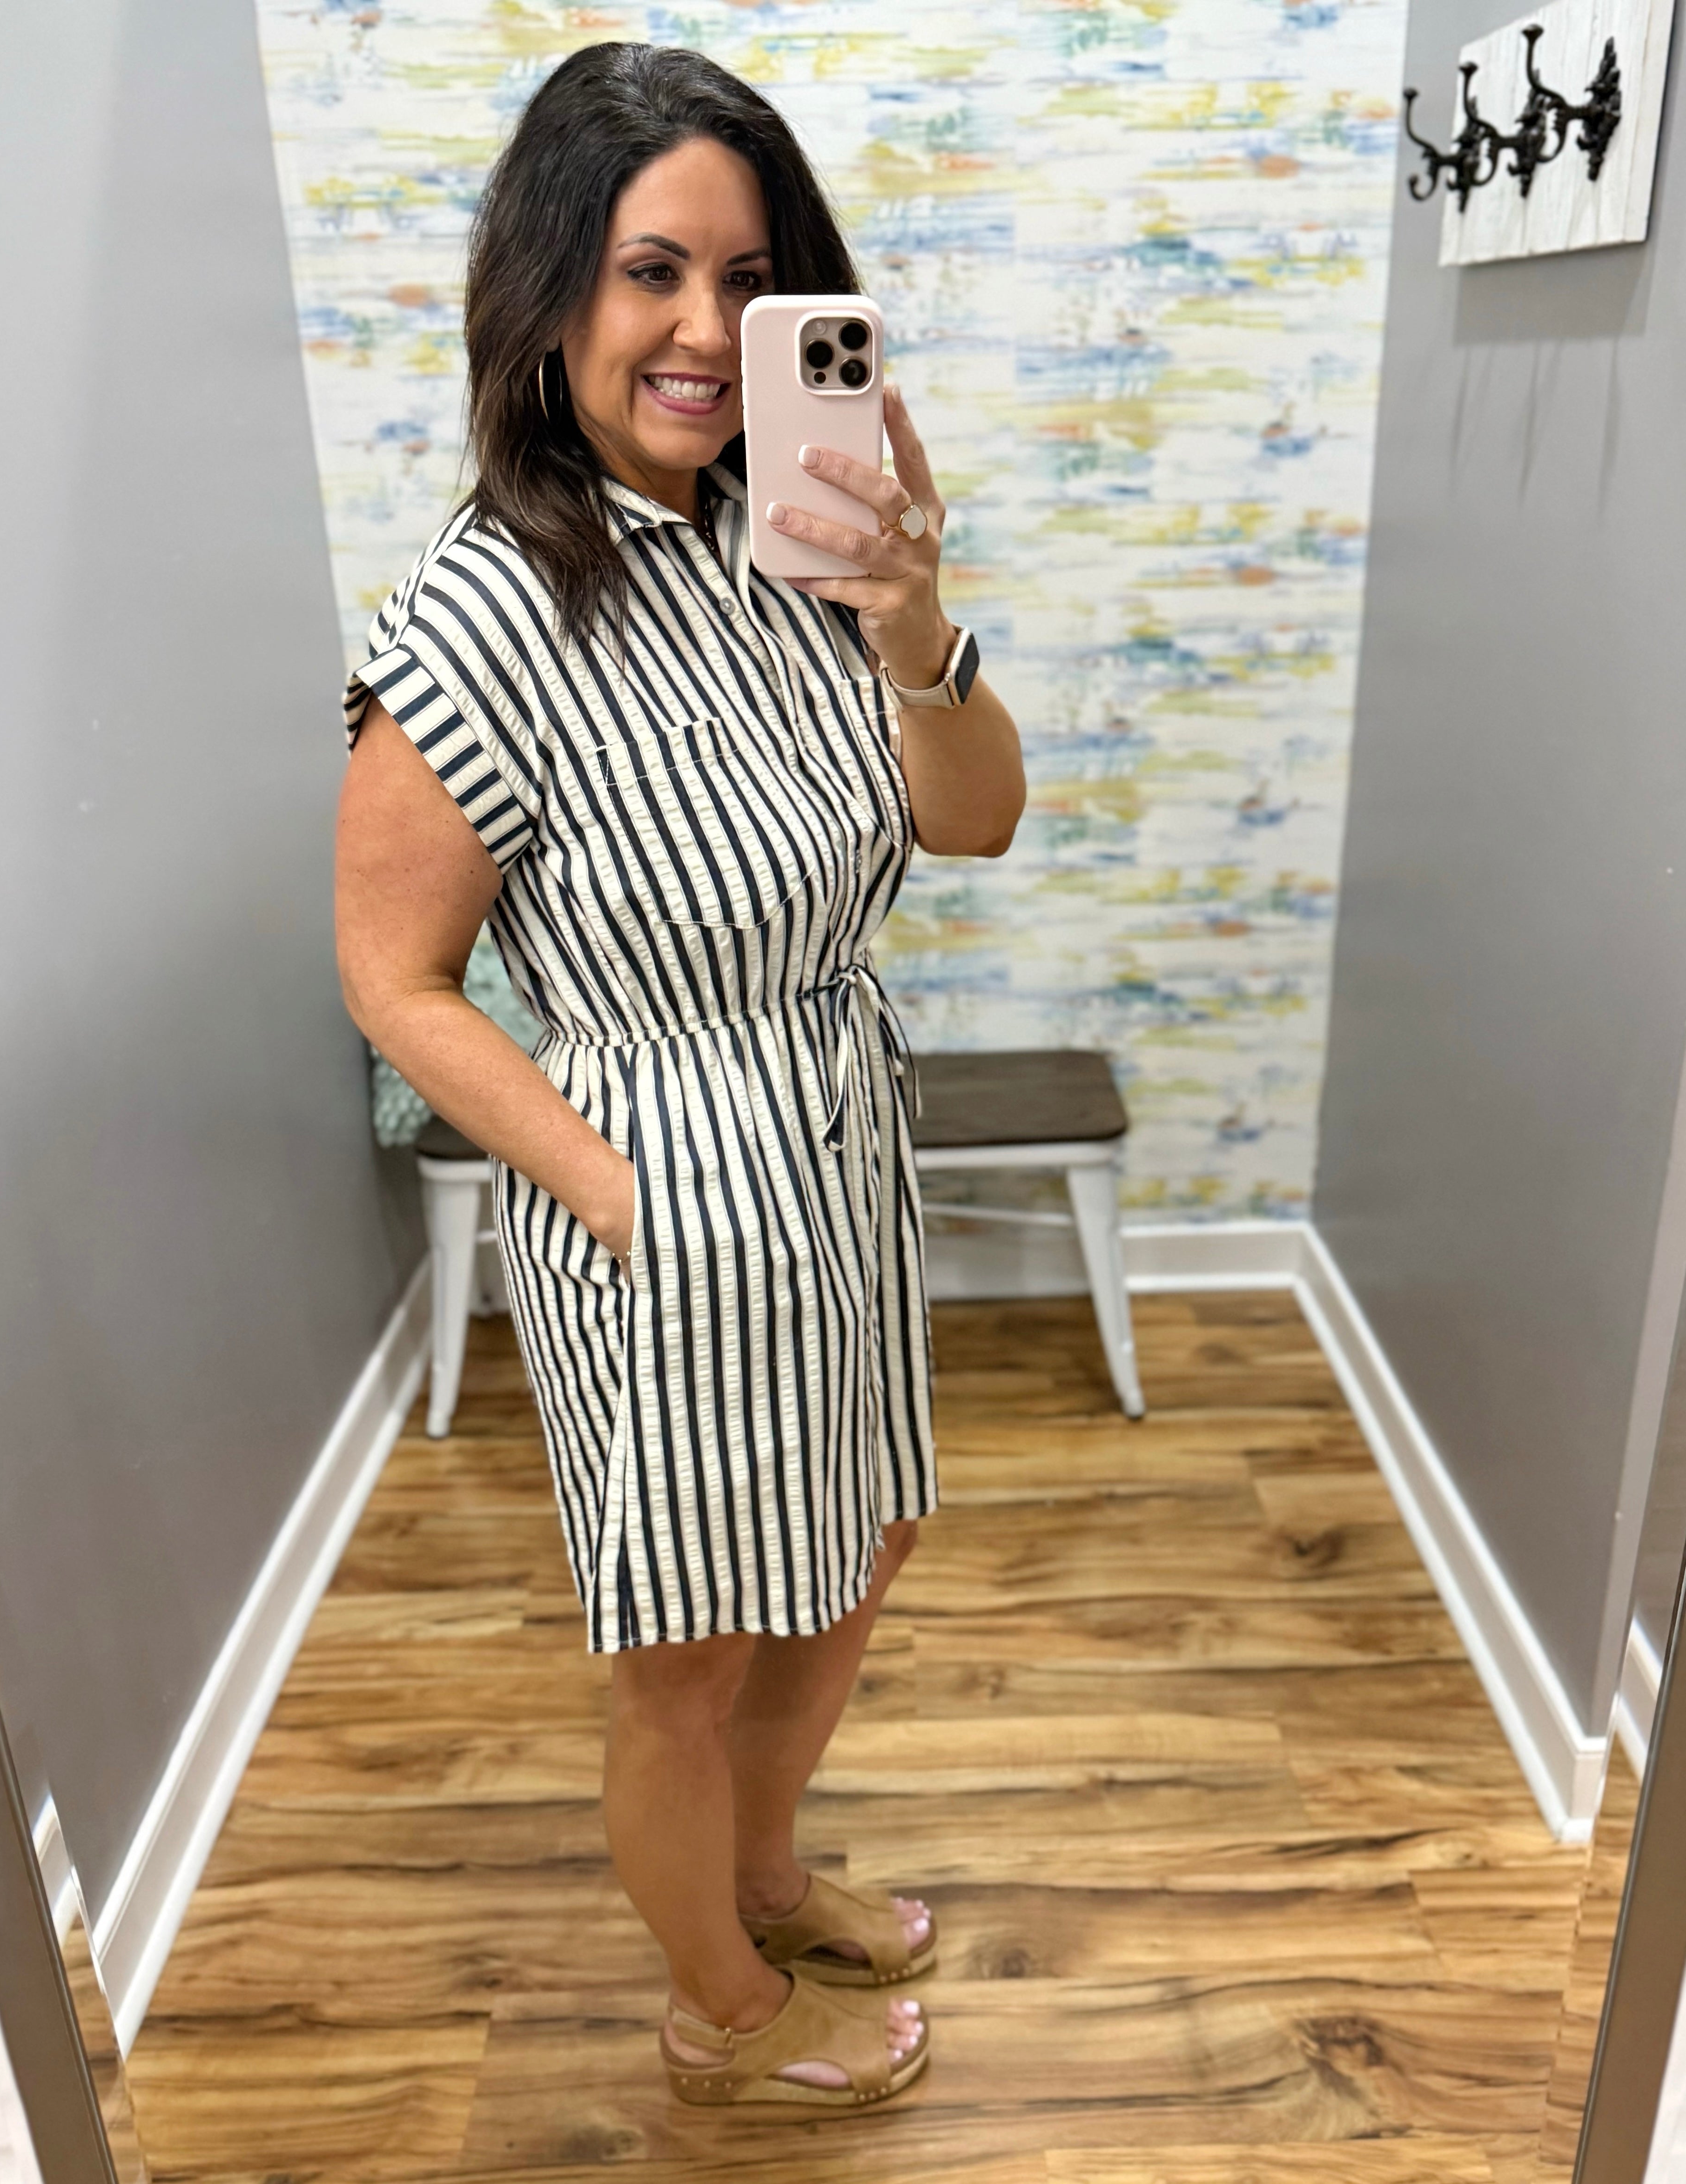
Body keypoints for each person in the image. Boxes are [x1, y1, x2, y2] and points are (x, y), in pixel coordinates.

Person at [334, 41, 1024, 2110]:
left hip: (840, 1132)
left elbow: (975, 821)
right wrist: (626, 1193)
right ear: (549, 295)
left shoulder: (795, 539)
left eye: (749, 279)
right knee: (688, 1651)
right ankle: (717, 2003)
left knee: (856, 1540)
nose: (707, 332)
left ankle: (765, 1870)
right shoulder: (475, 620)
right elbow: (393, 977)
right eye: (652, 272)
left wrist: (914, 618)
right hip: (660, 1181)